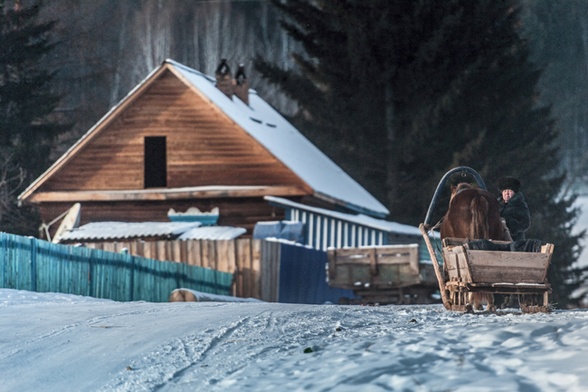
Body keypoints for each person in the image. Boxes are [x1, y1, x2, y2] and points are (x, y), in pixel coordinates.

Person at [497, 176, 530, 242]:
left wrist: (510, 224)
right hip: (498, 239)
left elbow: (525, 223)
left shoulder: (520, 204)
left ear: (514, 193)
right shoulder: (497, 205)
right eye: (505, 191)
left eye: (509, 191)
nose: (507, 193)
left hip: (515, 240)